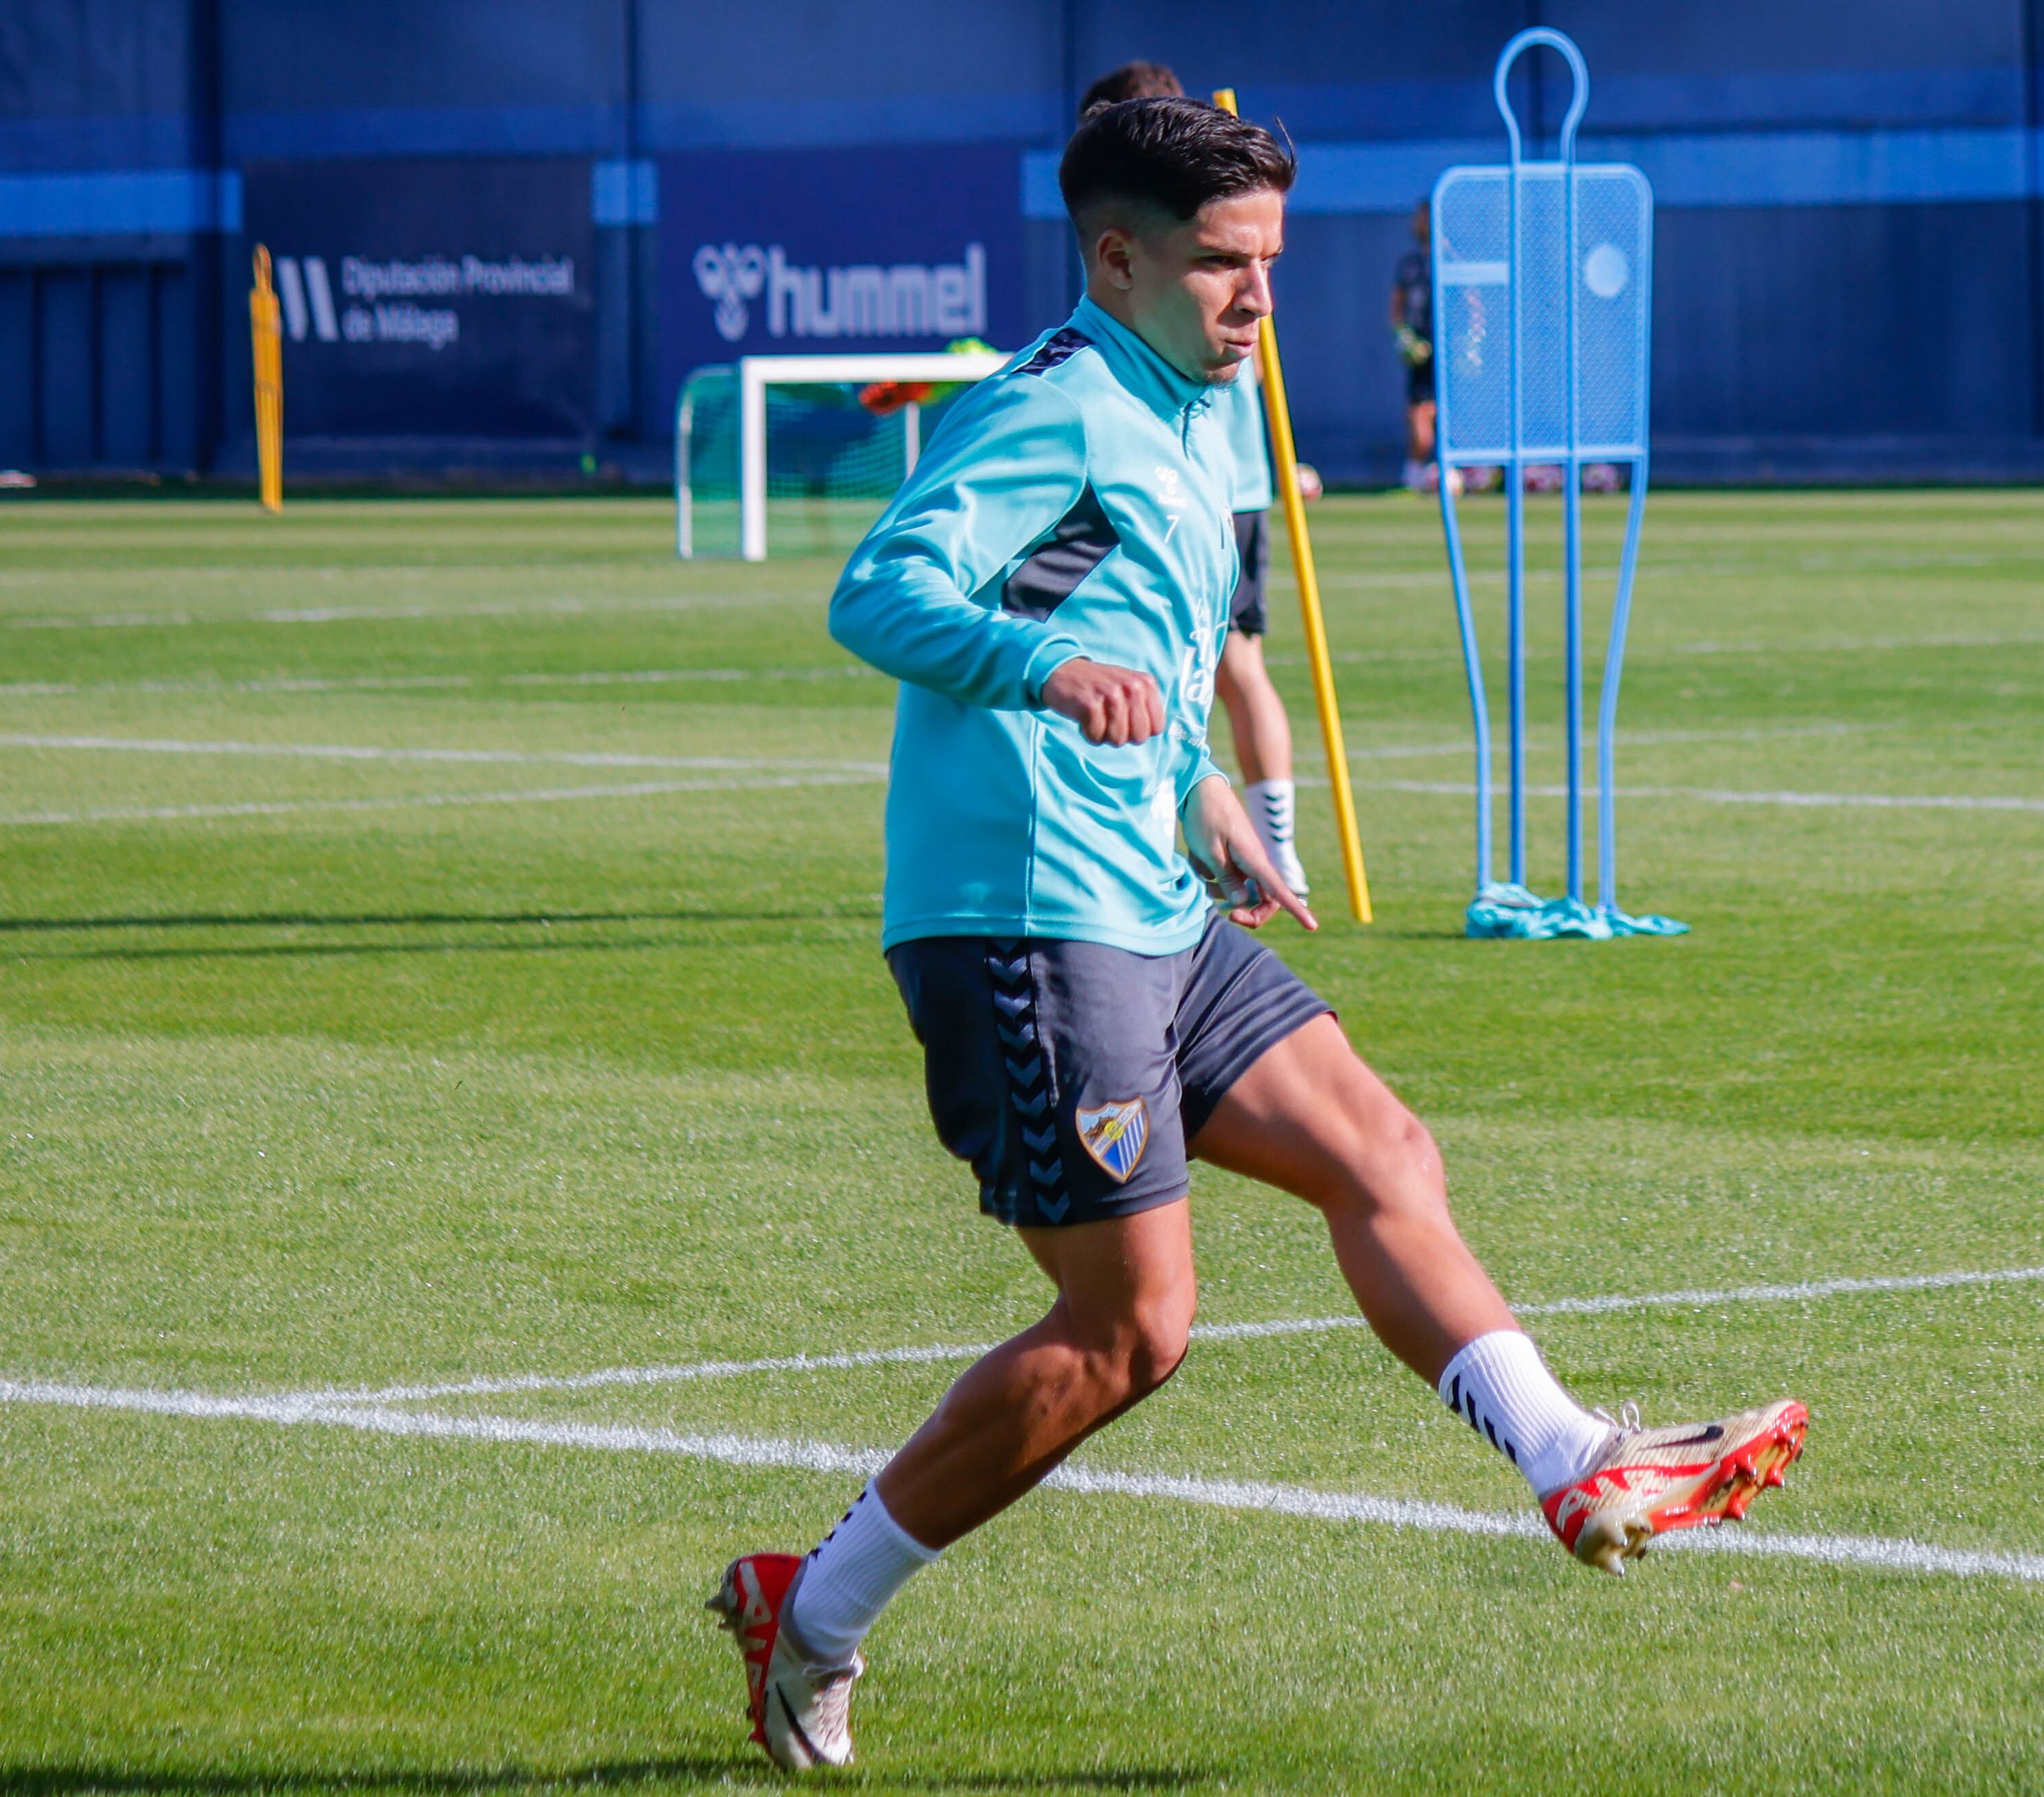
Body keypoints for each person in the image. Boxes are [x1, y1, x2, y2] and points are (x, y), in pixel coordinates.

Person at [706, 98, 1806, 1771]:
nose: (1260, 299)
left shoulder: (1204, 413)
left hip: (1147, 894)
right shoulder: (1050, 406)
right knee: (1130, 1331)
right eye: (1226, 263)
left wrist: (1201, 785)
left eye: (1275, 261)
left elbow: (1143, 638)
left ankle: (1576, 1463)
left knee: (1383, 1146)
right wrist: (1042, 670)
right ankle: (814, 1610)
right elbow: (879, 590)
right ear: (1116, 260)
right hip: (1027, 923)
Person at [1076, 59, 1308, 894]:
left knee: (1225, 666)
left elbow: (1242, 369)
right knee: (1175, 662)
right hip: (1172, 481)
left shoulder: (1197, 246)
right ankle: (1212, 841)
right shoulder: (1136, 266)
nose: (1257, 296)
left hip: (1217, 490)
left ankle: (1272, 847)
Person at [1390, 202, 1438, 493]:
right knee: (1418, 415)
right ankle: (1413, 477)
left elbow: (1473, 303)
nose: (1418, 223)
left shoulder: (1452, 261)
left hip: (1449, 353)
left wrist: (1470, 342)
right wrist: (1404, 336)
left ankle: (1457, 474)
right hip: (1421, 353)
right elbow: (1396, 307)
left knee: (1444, 417)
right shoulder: (1410, 265)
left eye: (1424, 218)